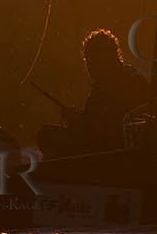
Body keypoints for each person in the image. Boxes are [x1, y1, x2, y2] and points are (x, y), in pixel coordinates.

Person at [38, 29, 146, 157]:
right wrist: (78, 117)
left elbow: (101, 130)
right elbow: (96, 119)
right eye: (87, 62)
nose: (89, 68)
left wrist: (77, 120)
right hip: (115, 144)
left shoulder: (109, 85)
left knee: (47, 136)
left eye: (91, 61)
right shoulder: (131, 76)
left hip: (109, 150)